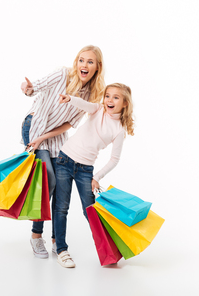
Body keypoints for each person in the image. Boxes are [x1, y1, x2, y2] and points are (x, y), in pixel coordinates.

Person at [20, 45, 106, 258]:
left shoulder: (91, 95)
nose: (84, 65)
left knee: (61, 185)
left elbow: (68, 124)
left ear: (97, 67)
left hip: (56, 137)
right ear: (76, 61)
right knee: (47, 178)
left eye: (90, 62)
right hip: (35, 126)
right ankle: (36, 236)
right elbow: (35, 87)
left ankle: (56, 239)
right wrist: (27, 87)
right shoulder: (62, 74)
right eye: (81, 60)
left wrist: (45, 138)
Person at [53, 83, 135, 268]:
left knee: (90, 211)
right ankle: (61, 250)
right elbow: (84, 104)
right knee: (61, 207)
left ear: (124, 103)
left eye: (116, 97)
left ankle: (108, 250)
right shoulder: (97, 109)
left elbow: (114, 159)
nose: (110, 100)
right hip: (65, 160)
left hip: (85, 170)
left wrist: (97, 177)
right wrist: (70, 99)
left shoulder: (119, 129)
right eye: (108, 96)